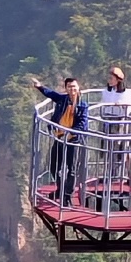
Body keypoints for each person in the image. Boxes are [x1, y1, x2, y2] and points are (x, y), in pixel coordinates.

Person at [32, 76, 89, 206]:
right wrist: (40, 86)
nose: (72, 89)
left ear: (78, 87)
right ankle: (61, 188)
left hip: (73, 140)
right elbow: (51, 94)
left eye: (74, 86)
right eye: (69, 87)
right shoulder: (63, 100)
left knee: (71, 169)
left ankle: (67, 196)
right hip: (60, 137)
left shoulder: (82, 105)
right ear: (66, 89)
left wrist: (70, 132)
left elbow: (82, 123)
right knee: (54, 166)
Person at [97, 67, 131, 185]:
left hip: (121, 121)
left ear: (118, 80)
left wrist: (122, 106)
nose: (109, 80)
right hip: (108, 120)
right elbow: (103, 104)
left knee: (125, 149)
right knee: (109, 148)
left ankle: (130, 176)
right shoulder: (106, 91)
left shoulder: (127, 92)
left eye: (111, 78)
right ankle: (110, 174)